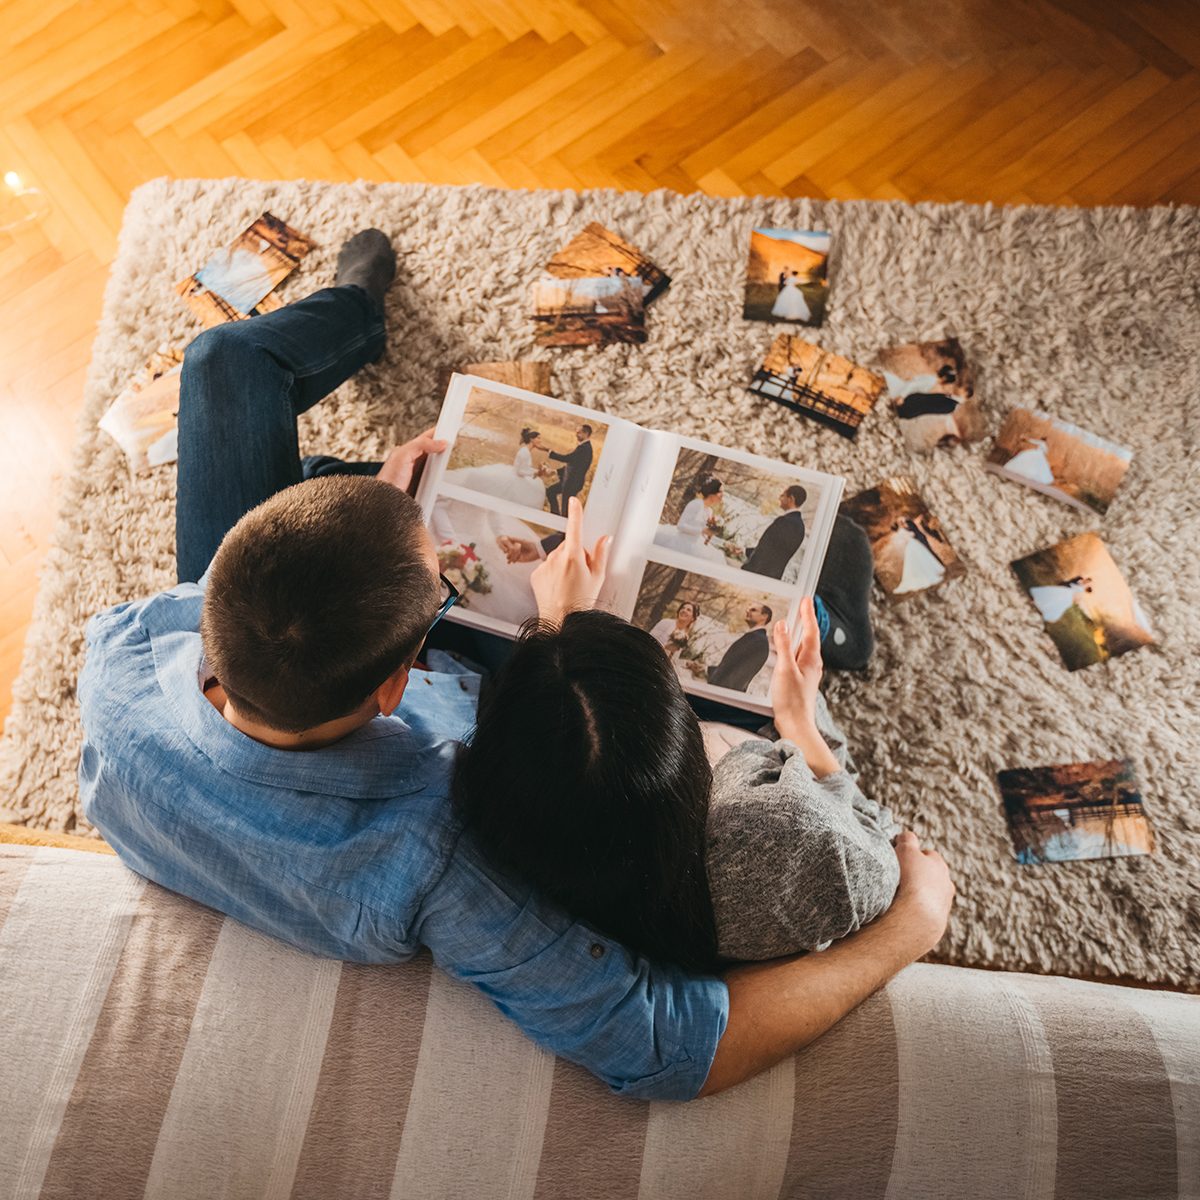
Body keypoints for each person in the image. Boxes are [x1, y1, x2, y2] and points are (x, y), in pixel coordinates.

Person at [78, 228, 954, 1102]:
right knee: (825, 563)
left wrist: (374, 516)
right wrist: (909, 926)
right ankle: (838, 625)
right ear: (401, 682)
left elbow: (243, 603)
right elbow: (663, 1046)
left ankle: (354, 322)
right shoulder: (437, 851)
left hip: (273, 661)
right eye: (437, 576)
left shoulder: (122, 653)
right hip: (497, 713)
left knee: (225, 355)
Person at [454, 597, 900, 968]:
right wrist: (799, 723)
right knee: (827, 602)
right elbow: (883, 846)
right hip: (792, 743)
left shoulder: (518, 824)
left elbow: (572, 734)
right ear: (682, 744)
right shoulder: (785, 831)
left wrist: (565, 647)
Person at [442, 426, 546, 508]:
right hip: (515, 477)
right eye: (539, 438)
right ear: (532, 439)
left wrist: (538, 470)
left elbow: (524, 468)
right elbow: (520, 471)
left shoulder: (526, 451)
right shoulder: (524, 452)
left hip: (516, 474)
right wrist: (536, 472)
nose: (540, 440)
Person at [694, 602, 773, 693]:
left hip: (723, 693)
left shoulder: (758, 641)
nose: (747, 611)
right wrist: (705, 669)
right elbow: (732, 666)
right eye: (748, 609)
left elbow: (737, 676)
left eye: (753, 610)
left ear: (764, 616)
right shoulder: (755, 638)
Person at [656, 476, 728, 563]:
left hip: (695, 545)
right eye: (721, 492)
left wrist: (723, 543)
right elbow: (681, 526)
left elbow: (702, 534)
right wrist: (702, 530)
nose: (722, 495)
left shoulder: (709, 511)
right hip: (682, 543)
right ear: (712, 492)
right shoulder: (695, 504)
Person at [741, 485, 807, 578]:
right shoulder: (800, 527)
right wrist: (744, 551)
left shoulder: (785, 521)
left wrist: (746, 569)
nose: (780, 498)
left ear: (790, 499)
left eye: (783, 495)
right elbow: (774, 551)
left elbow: (765, 553)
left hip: (758, 573)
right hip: (772, 576)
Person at [544, 424, 593, 515]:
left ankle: (561, 528)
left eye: (579, 433)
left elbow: (567, 459)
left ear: (586, 434)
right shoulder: (583, 447)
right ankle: (555, 516)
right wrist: (555, 471)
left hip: (572, 483)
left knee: (566, 509)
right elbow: (573, 465)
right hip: (569, 481)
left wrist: (551, 453)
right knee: (550, 491)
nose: (576, 434)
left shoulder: (585, 449)